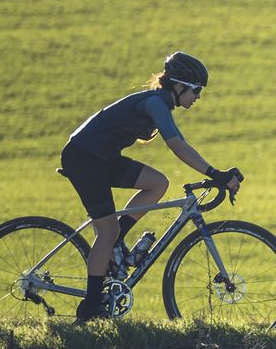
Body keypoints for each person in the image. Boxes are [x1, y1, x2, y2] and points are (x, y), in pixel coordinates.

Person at [58, 51, 239, 321]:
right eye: (197, 90)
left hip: (102, 157)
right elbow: (177, 145)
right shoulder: (156, 103)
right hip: (84, 158)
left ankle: (117, 241)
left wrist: (215, 173)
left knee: (158, 183)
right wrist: (216, 173)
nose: (199, 96)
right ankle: (90, 306)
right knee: (106, 233)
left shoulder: (160, 103)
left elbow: (180, 143)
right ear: (179, 86)